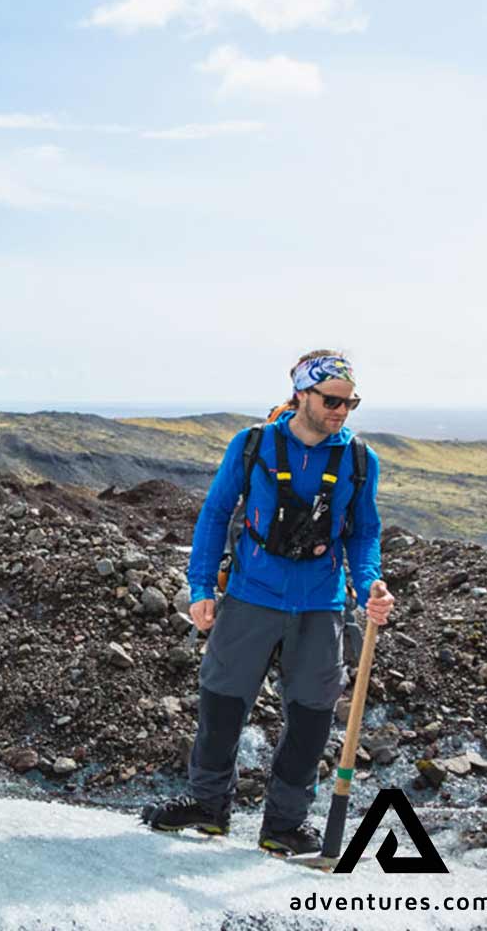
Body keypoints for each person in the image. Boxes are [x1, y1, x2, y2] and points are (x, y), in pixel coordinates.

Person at [140, 351, 395, 857]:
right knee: (222, 700)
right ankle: (208, 806)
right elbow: (215, 514)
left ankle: (284, 824)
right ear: (301, 393)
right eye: (332, 400)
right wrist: (200, 590)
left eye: (350, 402)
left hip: (320, 605)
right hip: (251, 596)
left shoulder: (359, 460)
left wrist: (370, 585)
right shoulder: (253, 444)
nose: (341, 411)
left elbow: (364, 532)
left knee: (310, 716)